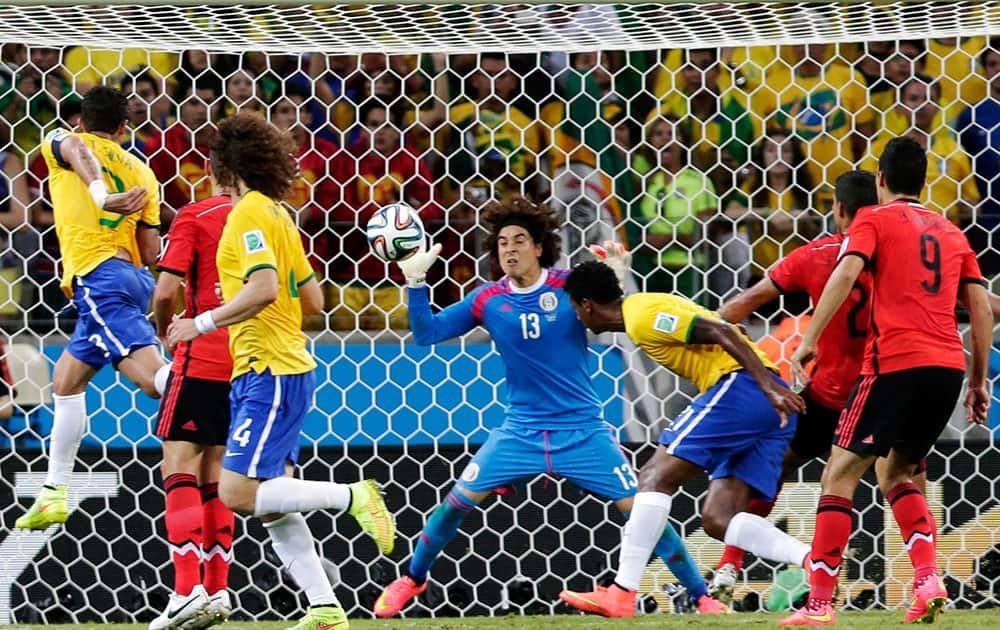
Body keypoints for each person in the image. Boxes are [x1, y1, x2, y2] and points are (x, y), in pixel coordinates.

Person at [373, 197, 729, 618]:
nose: (510, 249)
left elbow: (619, 318)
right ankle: (411, 579)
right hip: (520, 430)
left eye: (519, 240)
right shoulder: (487, 300)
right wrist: (415, 285)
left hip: (582, 430)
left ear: (539, 247)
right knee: (455, 504)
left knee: (643, 510)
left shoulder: (569, 287)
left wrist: (620, 280)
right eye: (502, 242)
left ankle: (701, 596)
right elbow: (427, 334)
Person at [166, 112, 395, 630]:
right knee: (273, 501)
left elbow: (266, 288)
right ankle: (324, 607)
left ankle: (353, 496)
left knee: (236, 494)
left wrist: (199, 322)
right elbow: (311, 298)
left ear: (223, 164)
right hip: (281, 364)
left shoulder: (246, 214)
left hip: (267, 369)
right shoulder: (279, 214)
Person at [781, 137, 992, 626]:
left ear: (880, 180)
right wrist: (977, 381)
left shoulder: (871, 219)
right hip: (946, 367)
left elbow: (846, 269)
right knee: (895, 473)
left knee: (838, 474)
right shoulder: (952, 232)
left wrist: (810, 337)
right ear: (925, 180)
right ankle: (927, 580)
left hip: (893, 362)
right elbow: (979, 307)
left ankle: (817, 605)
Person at [557, 259, 809, 618]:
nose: (579, 320)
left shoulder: (642, 316)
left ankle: (622, 592)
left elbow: (721, 332)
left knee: (653, 477)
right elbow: (718, 323)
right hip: (761, 395)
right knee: (718, 518)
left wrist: (767, 385)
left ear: (586, 305)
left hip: (745, 387)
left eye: (576, 310)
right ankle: (816, 563)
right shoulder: (644, 308)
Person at [707, 170, 886, 600]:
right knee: (898, 480)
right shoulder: (899, 256)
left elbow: (742, 304)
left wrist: (695, 328)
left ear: (838, 211)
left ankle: (731, 566)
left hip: (827, 395)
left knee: (775, 468)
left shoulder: (815, 254)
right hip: (884, 392)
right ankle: (924, 577)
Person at [16, 86, 169, 530]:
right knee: (65, 382)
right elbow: (151, 249)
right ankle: (54, 491)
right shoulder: (143, 171)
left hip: (98, 277)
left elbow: (77, 149)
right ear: (125, 128)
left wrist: (100, 196)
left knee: (155, 382)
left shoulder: (62, 141)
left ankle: (226, 391)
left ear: (80, 120)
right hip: (131, 279)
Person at [148, 190, 236, 630]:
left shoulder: (195, 215)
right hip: (247, 360)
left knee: (178, 464)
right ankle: (217, 590)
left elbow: (165, 291)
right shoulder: (270, 215)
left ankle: (186, 592)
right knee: (215, 472)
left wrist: (167, 332)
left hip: (201, 357)